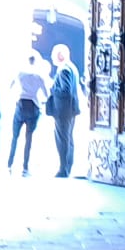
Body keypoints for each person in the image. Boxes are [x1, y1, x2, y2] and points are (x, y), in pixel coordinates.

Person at [8, 51, 49, 176]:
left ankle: (9, 164)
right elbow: (46, 94)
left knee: (14, 137)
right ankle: (25, 167)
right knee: (28, 138)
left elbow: (10, 86)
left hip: (21, 104)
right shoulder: (39, 75)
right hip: (33, 105)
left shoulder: (21, 73)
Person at [47, 43, 82, 178]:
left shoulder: (64, 70)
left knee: (62, 139)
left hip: (63, 110)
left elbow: (65, 90)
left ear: (60, 55)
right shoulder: (72, 68)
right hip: (70, 109)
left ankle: (63, 169)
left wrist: (52, 89)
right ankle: (67, 168)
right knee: (68, 139)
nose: (52, 57)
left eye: (53, 55)